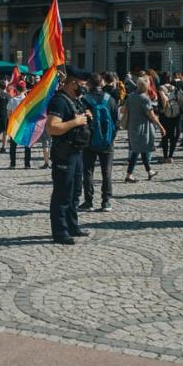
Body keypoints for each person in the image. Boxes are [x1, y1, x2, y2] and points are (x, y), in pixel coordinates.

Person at [45, 66, 93, 245]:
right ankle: (60, 231)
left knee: (75, 192)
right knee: (62, 193)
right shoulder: (59, 101)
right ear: (73, 83)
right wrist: (75, 122)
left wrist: (86, 116)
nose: (84, 87)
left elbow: (80, 119)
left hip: (77, 152)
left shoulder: (75, 100)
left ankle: (73, 226)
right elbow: (52, 128)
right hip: (64, 153)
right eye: (82, 83)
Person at [81, 73, 119, 211]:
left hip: (89, 141)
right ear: (102, 83)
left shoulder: (85, 100)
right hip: (107, 141)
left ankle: (88, 202)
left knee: (88, 171)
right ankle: (106, 202)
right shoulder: (110, 99)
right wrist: (110, 137)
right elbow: (116, 120)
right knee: (106, 172)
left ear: (89, 84)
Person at [124, 76, 165, 183]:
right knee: (137, 151)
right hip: (143, 128)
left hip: (132, 127)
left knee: (141, 149)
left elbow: (123, 110)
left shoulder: (131, 96)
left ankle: (149, 171)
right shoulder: (144, 98)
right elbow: (151, 115)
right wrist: (161, 127)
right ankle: (129, 175)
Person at [157, 73, 182, 163]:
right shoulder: (175, 88)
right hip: (175, 114)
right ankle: (171, 156)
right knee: (173, 136)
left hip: (165, 115)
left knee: (164, 136)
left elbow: (163, 99)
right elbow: (180, 99)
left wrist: (164, 109)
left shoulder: (160, 88)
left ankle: (165, 157)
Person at [7, 80, 32, 169]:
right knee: (27, 145)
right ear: (24, 89)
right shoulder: (28, 100)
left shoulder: (13, 100)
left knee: (13, 146)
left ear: (16, 90)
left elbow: (9, 113)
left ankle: (13, 164)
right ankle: (27, 164)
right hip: (25, 124)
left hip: (15, 124)